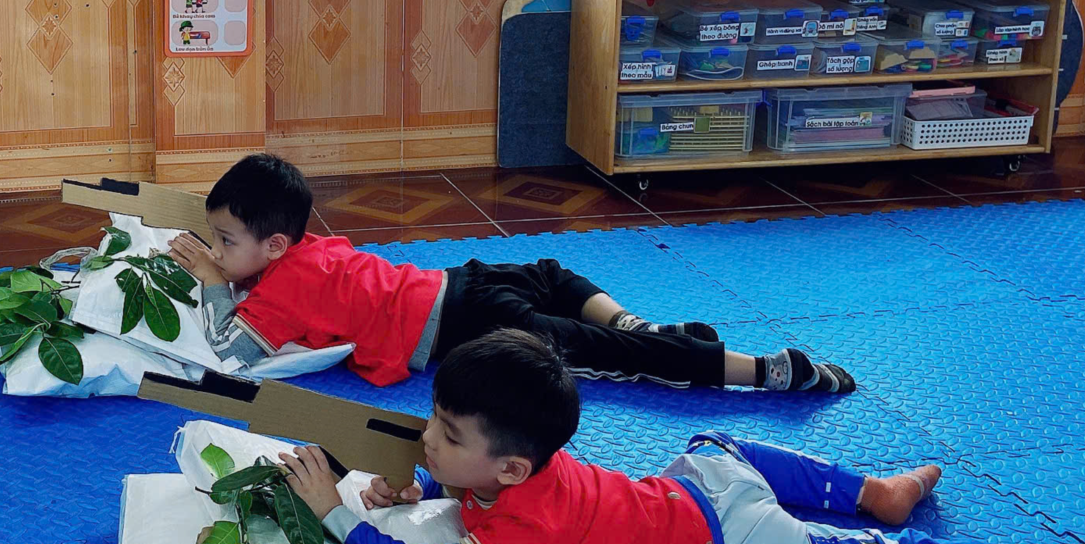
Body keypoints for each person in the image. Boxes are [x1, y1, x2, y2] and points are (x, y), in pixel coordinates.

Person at [274, 330, 1085, 544]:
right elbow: (466, 486)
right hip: (695, 486)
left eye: (444, 432)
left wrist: (337, 515)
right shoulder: (508, 470)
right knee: (725, 444)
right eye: (433, 422)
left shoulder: (523, 522)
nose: (425, 439)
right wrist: (422, 487)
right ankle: (870, 491)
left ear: (511, 464)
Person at [168, 153, 853, 393]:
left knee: (613, 357)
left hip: (469, 329)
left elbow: (231, 355)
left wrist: (213, 282)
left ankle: (764, 371)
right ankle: (633, 321)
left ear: (277, 243)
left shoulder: (277, 290)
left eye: (226, 240)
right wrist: (232, 263)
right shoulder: (305, 249)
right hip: (459, 282)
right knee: (552, 273)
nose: (217, 249)